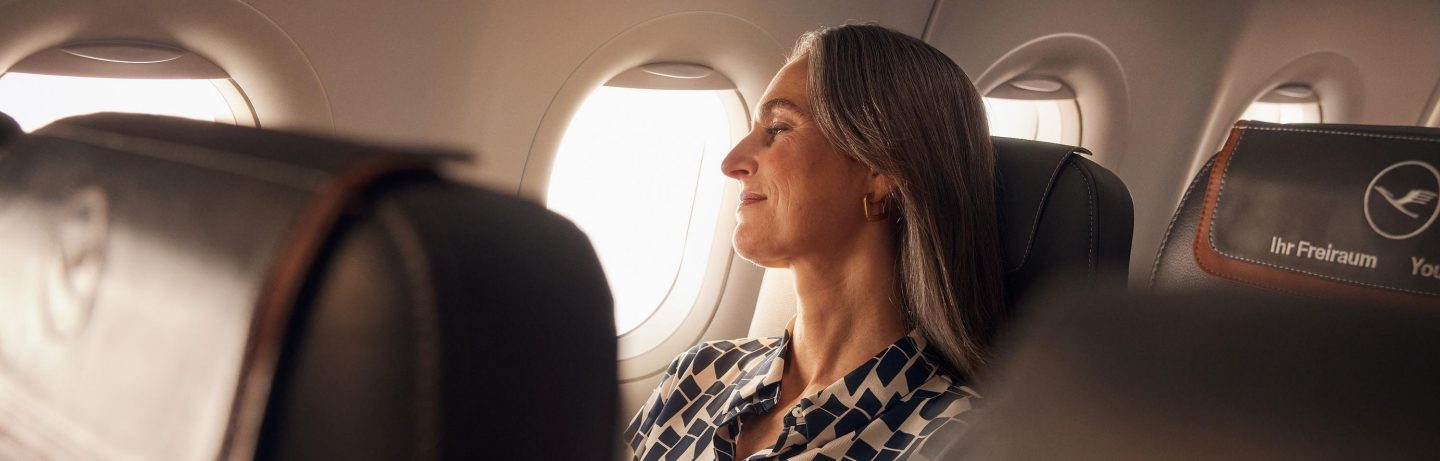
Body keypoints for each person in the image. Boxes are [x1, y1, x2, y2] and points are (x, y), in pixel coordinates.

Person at [624, 23, 1006, 460]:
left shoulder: (958, 439)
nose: (732, 163)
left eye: (779, 128)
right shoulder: (696, 377)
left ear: (878, 169)